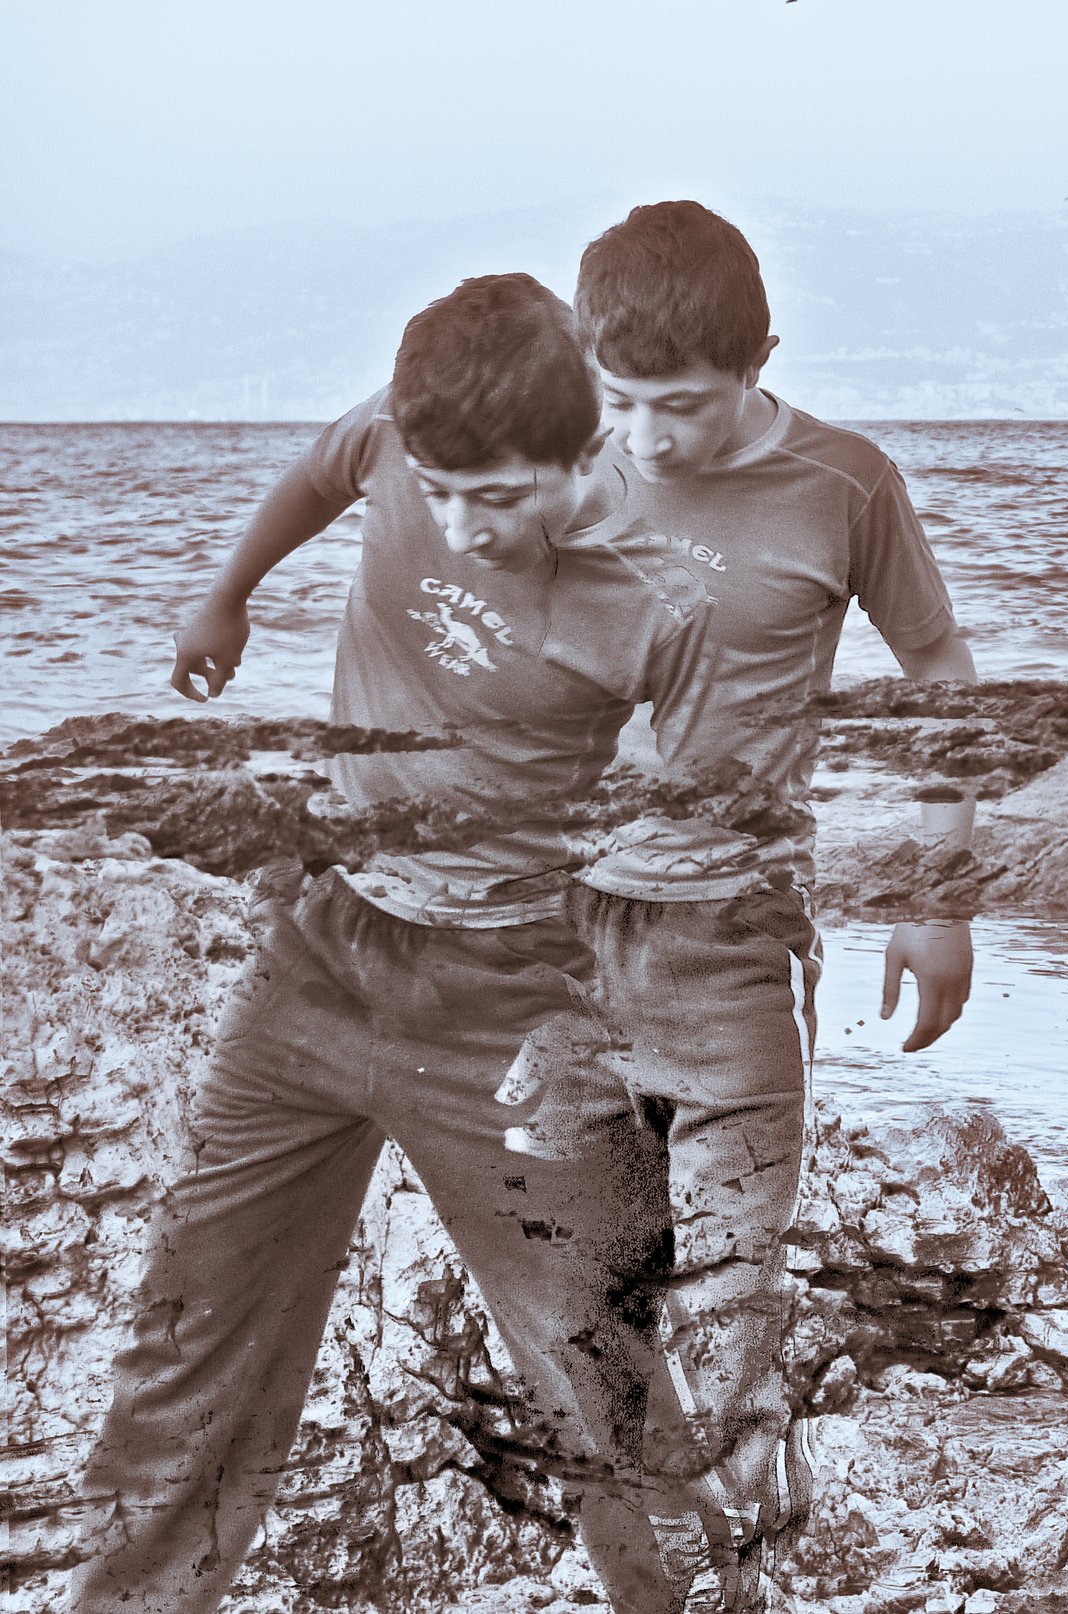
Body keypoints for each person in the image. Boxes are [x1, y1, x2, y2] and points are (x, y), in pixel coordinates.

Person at [73, 274, 700, 1614]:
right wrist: (225, 595)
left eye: (504, 498)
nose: (464, 527)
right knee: (191, 1343)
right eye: (440, 489)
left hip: (513, 1001)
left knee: (609, 1387)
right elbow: (320, 471)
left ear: (584, 446)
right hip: (322, 949)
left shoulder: (660, 590)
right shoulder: (402, 434)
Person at [552, 199, 979, 1606]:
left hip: (733, 947)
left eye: (681, 405)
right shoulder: (554, 475)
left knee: (730, 1296)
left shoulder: (843, 484)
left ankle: (749, 1571)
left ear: (760, 360)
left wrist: (936, 895)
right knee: (581, 1299)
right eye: (625, 402)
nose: (652, 437)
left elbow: (938, 681)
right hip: (553, 944)